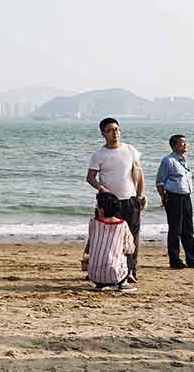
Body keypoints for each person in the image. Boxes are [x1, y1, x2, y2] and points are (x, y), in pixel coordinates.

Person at [86, 118, 145, 283]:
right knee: (103, 237)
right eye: (111, 130)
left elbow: (139, 173)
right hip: (108, 203)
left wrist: (141, 194)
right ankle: (99, 267)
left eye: (117, 129)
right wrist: (102, 189)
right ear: (103, 133)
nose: (115, 133)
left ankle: (131, 270)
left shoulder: (130, 150)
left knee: (132, 237)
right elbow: (90, 177)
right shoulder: (99, 154)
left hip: (129, 200)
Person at [156, 134, 194, 270]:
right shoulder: (168, 161)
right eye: (182, 143)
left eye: (185, 143)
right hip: (173, 198)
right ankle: (175, 260)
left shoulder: (183, 160)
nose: (185, 145)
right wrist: (163, 198)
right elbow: (160, 182)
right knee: (175, 230)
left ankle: (192, 260)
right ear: (174, 145)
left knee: (188, 230)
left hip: (186, 197)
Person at [82, 191, 136, 293]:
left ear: (101, 210)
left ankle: (100, 284)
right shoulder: (122, 225)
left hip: (94, 275)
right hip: (116, 276)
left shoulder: (93, 223)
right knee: (127, 252)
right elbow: (129, 249)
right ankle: (123, 283)